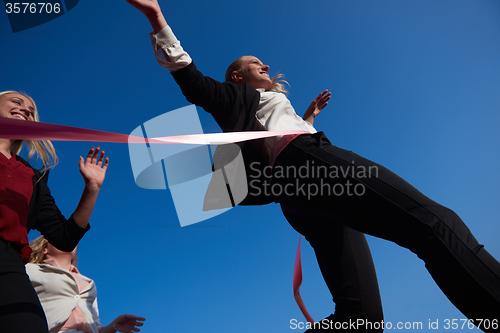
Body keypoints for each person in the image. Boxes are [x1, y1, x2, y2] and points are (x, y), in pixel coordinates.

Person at [126, 1, 500, 331]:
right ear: (237, 77)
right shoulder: (236, 95)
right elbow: (196, 85)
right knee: (432, 223)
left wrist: (307, 117)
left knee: (361, 317)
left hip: (297, 192)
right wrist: (157, 17)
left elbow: (278, 131)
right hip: (304, 166)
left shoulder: (270, 105)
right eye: (255, 63)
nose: (265, 64)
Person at [0, 90, 109, 333]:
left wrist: (92, 188)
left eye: (31, 111)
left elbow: (64, 236)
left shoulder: (32, 177)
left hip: (8, 266)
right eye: (17, 103)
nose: (26, 111)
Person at [26, 236, 146, 333]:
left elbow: (96, 326)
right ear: (44, 249)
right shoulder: (31, 270)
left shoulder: (89, 283)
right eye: (59, 237)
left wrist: (113, 326)